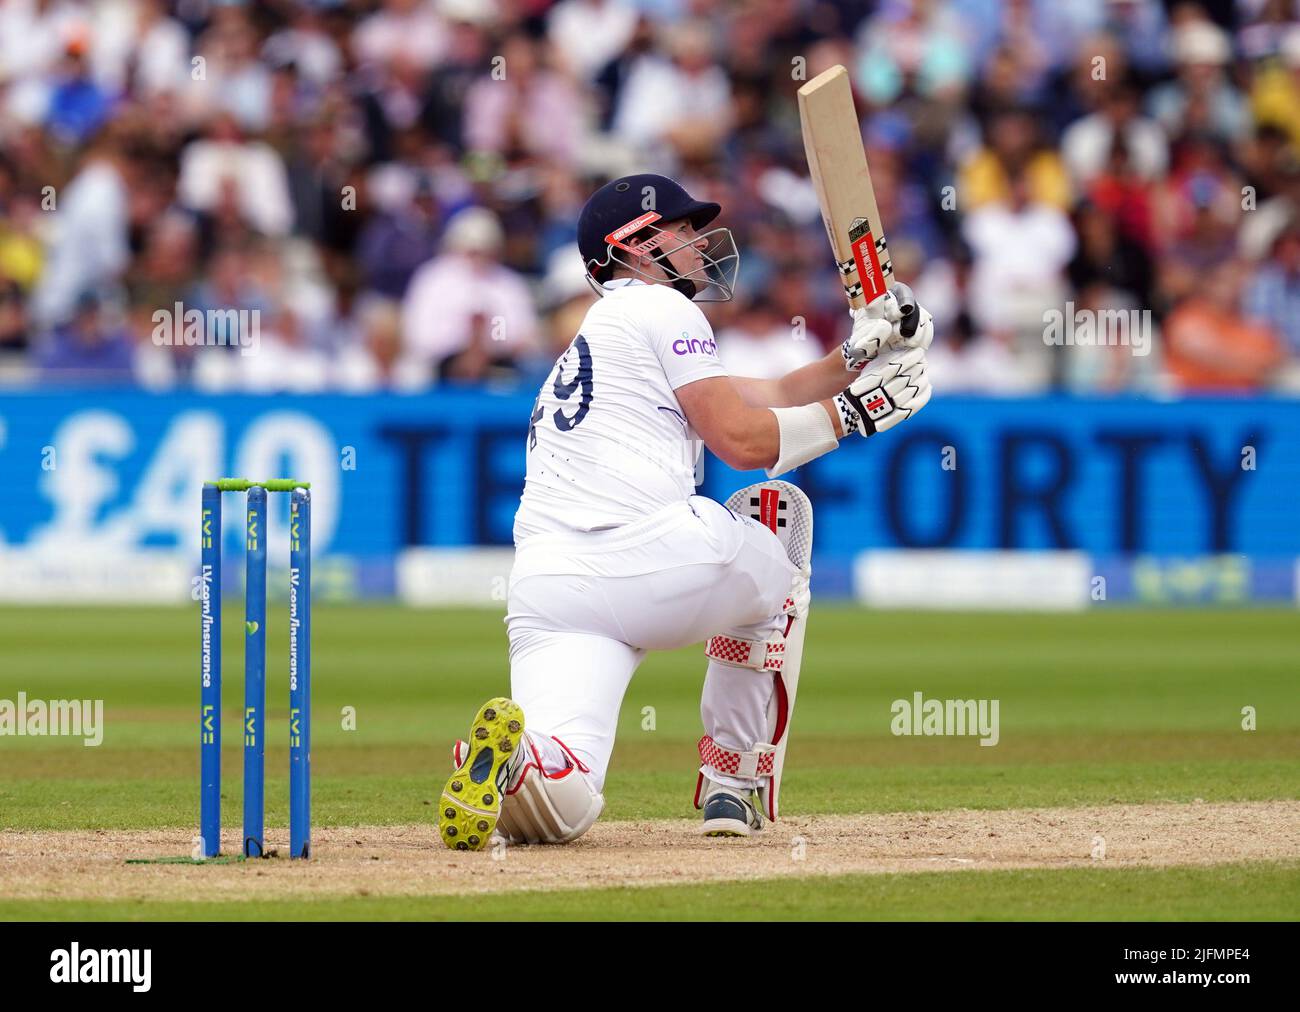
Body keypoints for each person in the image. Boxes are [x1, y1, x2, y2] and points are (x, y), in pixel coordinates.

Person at [438, 174, 934, 850]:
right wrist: (858, 414)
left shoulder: (600, 337)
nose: (700, 243)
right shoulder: (662, 310)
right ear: (637, 246)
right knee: (775, 528)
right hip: (651, 557)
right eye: (682, 229)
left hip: (548, 592)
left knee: (568, 801)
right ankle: (730, 779)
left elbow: (777, 391)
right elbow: (741, 439)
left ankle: (516, 762)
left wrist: (862, 349)